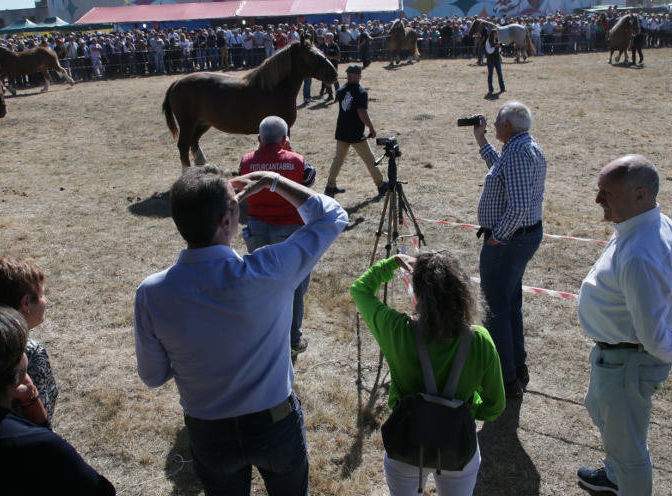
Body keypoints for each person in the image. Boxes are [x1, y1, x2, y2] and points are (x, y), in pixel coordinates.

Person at [134, 165, 348, 495]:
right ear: (226, 221)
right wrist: (274, 181)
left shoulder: (151, 292)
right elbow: (333, 215)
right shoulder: (271, 270)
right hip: (275, 423)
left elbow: (153, 376)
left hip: (209, 431)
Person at [576, 155, 672, 496]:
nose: (597, 200)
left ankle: (625, 477)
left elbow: (651, 336)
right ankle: (615, 475)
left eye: (607, 192)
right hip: (617, 360)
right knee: (603, 413)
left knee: (629, 447)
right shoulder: (658, 224)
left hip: (627, 363)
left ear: (640, 195)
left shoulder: (638, 251)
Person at [351, 252, 505, 496]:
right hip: (458, 447)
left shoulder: (398, 331)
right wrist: (464, 410)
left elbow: (360, 290)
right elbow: (495, 406)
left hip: (406, 443)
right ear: (463, 293)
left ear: (418, 295)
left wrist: (391, 263)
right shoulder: (480, 341)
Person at [0, 307, 115, 495]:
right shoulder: (39, 446)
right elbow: (102, 491)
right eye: (22, 349)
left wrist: (31, 400)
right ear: (11, 371)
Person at [472, 101, 546, 398]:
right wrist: (481, 140)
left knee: (496, 308)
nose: (495, 126)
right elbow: (501, 172)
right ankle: (518, 367)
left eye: (498, 122)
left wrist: (497, 236)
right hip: (522, 237)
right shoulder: (523, 146)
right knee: (510, 302)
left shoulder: (516, 153)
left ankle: (505, 377)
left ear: (507, 126)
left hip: (509, 241)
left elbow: (517, 205)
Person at [239, 116, 316, 357]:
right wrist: (289, 152)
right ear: (285, 138)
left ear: (259, 139)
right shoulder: (296, 161)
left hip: (257, 229)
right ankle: (293, 337)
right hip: (289, 231)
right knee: (292, 283)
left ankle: (264, 333)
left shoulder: (247, 161)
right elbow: (308, 184)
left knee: (262, 281)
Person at [0, 257, 59, 419]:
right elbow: (44, 412)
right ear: (26, 303)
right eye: (42, 294)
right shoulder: (32, 353)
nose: (45, 301)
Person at [324, 65, 386, 198]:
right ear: (358, 76)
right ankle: (381, 185)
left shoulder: (340, 90)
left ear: (348, 76)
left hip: (342, 131)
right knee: (370, 160)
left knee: (338, 160)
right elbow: (361, 111)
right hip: (355, 133)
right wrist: (371, 128)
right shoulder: (361, 92)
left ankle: (330, 186)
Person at [484, 31, 505, 96]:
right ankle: (490, 88)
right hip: (490, 59)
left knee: (500, 73)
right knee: (490, 74)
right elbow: (489, 51)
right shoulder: (488, 41)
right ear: (493, 34)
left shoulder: (497, 40)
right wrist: (495, 46)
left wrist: (500, 47)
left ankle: (502, 88)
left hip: (497, 59)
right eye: (495, 34)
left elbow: (499, 51)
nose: (497, 35)